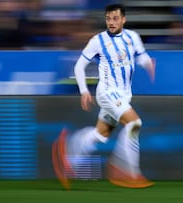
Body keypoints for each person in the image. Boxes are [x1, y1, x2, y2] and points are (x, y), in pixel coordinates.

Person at [52, 3, 156, 190]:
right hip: (107, 92)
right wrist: (84, 90)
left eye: (115, 18)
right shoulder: (97, 41)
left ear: (123, 19)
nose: (111, 22)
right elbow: (79, 66)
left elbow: (141, 57)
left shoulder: (133, 37)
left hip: (123, 96)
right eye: (108, 19)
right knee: (134, 123)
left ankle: (68, 153)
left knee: (101, 135)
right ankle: (127, 171)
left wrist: (149, 64)